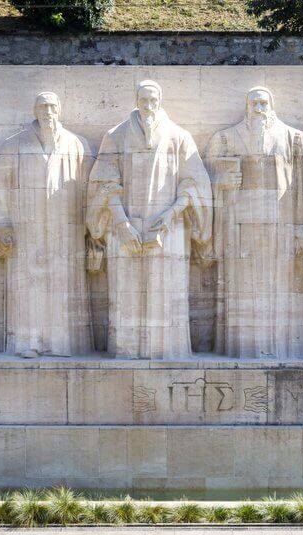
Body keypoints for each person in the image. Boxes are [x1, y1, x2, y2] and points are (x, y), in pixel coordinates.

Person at [87, 80, 213, 359]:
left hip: (169, 229)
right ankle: (128, 352)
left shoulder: (180, 137)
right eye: (143, 100)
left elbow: (194, 184)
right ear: (136, 101)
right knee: (126, 293)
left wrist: (172, 213)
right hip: (124, 229)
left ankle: (168, 351)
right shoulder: (116, 136)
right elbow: (104, 182)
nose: (148, 106)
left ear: (161, 101)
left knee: (167, 293)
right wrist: (121, 223)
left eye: (153, 100)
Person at [0, 92, 92, 357]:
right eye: (42, 107)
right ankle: (28, 343)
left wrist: (93, 231)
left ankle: (61, 343)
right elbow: (0, 189)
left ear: (60, 110)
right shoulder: (14, 146)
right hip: (26, 229)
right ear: (35, 111)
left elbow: (91, 190)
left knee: (63, 283)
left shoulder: (77, 145)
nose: (48, 112)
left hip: (66, 230)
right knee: (28, 285)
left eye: (52, 107)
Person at [205, 87, 303, 359]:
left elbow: (302, 188)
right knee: (241, 286)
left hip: (280, 227)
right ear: (246, 106)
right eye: (254, 103)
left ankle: (279, 348)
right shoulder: (226, 139)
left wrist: (301, 229)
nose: (259, 108)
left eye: (264, 102)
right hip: (238, 228)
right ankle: (242, 348)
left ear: (271, 105)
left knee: (279, 288)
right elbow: (203, 181)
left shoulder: (293, 138)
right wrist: (220, 182)